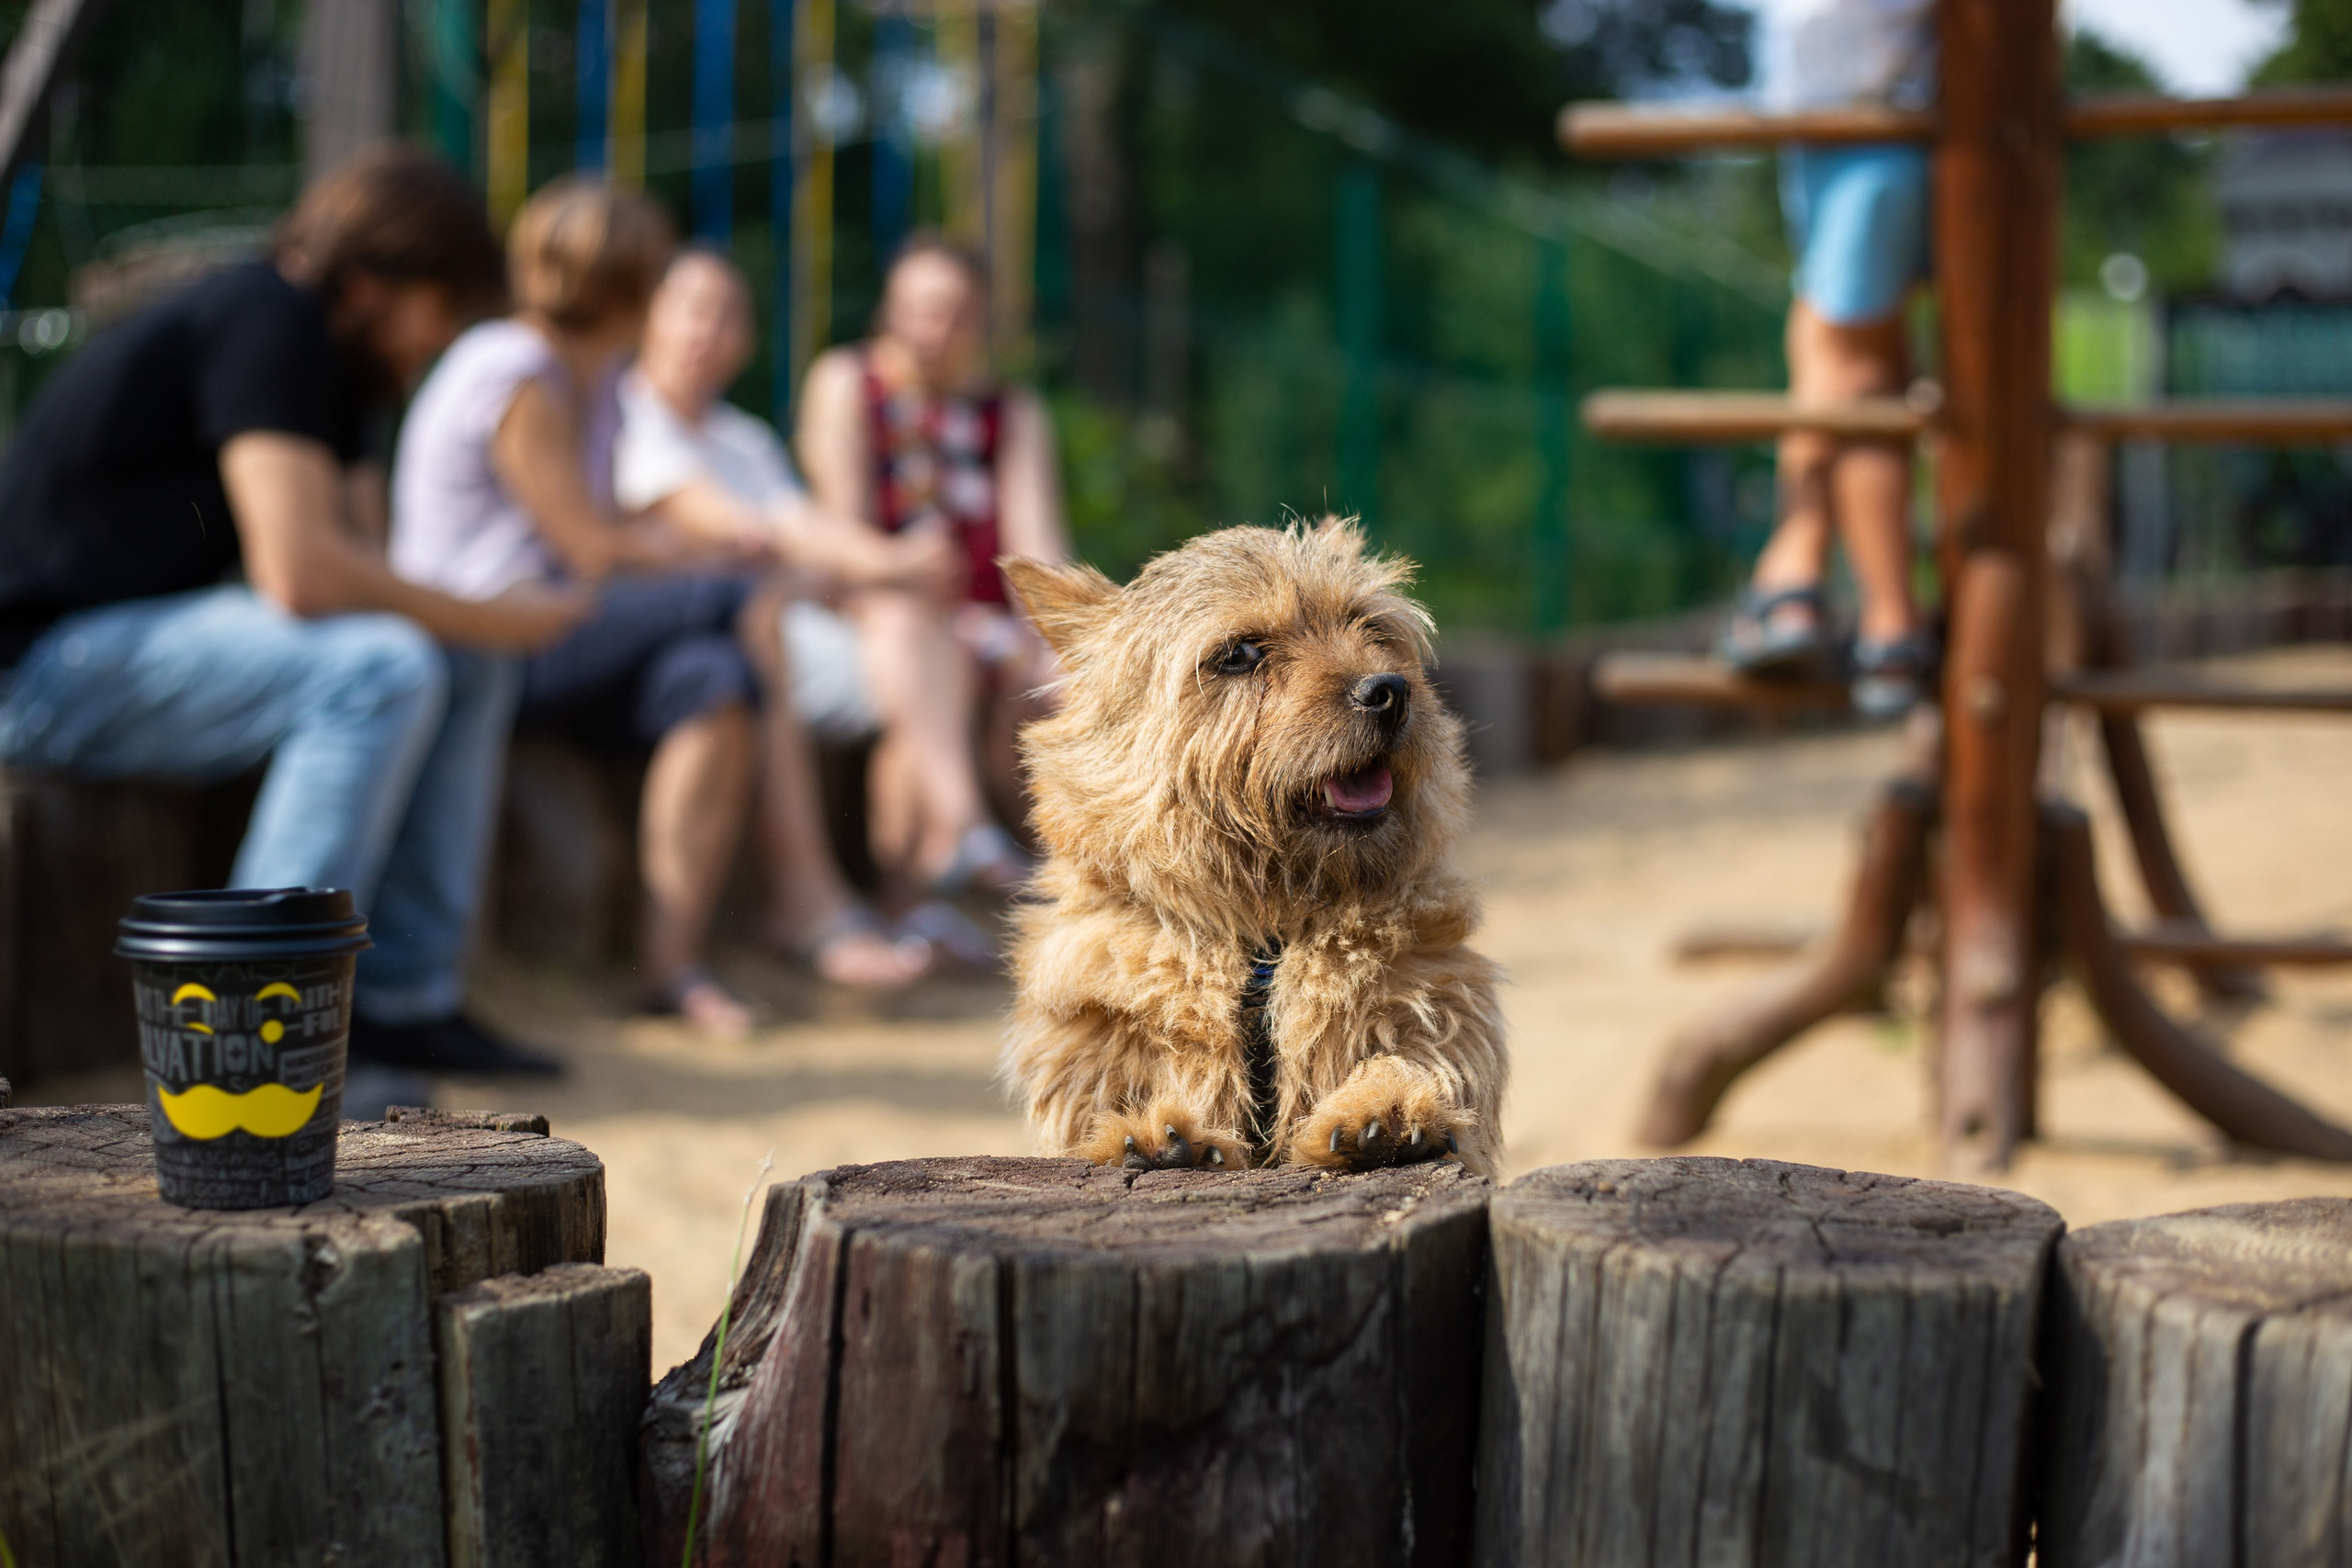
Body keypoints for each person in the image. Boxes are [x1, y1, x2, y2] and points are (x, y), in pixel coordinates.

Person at [0, 144, 580, 1077]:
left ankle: (404, 1000)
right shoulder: (265, 316)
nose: (441, 338)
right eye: (442, 307)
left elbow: (366, 560)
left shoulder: (339, 362)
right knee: (380, 667)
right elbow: (303, 575)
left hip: (122, 647)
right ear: (374, 280)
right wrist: (496, 611)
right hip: (38, 667)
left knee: (455, 656)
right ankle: (247, 1034)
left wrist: (477, 624)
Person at [393, 179, 924, 1039]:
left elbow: (607, 534)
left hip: (560, 628)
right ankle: (805, 889)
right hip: (489, 636)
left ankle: (669, 966)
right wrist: (697, 554)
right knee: (738, 600)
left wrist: (676, 548)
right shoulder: (517, 369)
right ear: (627, 282)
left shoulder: (590, 379)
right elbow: (588, 548)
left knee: (715, 682)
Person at [797, 233, 1071, 899]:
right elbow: (843, 531)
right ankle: (961, 835)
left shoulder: (1013, 411)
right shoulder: (845, 381)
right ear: (890, 309)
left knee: (1049, 680)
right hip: (871, 602)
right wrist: (900, 571)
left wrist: (1061, 643)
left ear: (980, 319)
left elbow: (1038, 550)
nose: (933, 328)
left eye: (951, 312)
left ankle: (964, 885)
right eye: (917, 309)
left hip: (974, 620)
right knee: (913, 635)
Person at [1722, 0, 1937, 718]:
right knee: (1842, 349)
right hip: (1826, 121)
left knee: (1841, 357)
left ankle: (1823, 584)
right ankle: (1874, 608)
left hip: (1883, 114)